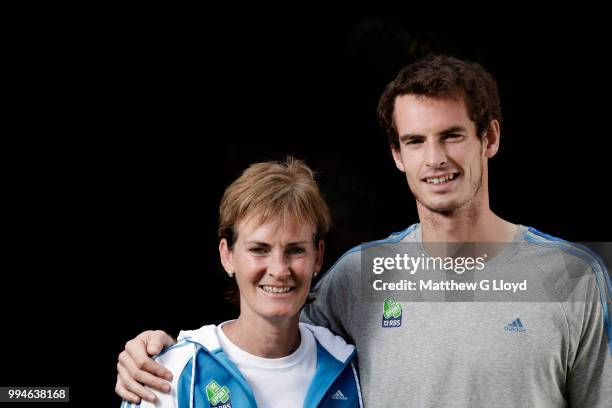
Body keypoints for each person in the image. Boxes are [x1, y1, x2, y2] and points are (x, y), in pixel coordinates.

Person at [116, 55, 611, 407]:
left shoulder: (572, 276)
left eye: (452, 135)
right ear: (398, 156)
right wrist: (162, 348)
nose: (435, 158)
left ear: (491, 138)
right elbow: (269, 321)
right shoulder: (360, 276)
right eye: (415, 141)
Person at [119, 158, 362, 407]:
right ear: (228, 256)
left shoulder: (350, 368)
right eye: (259, 249)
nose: (279, 270)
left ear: (318, 257)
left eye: (296, 250)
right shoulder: (170, 373)